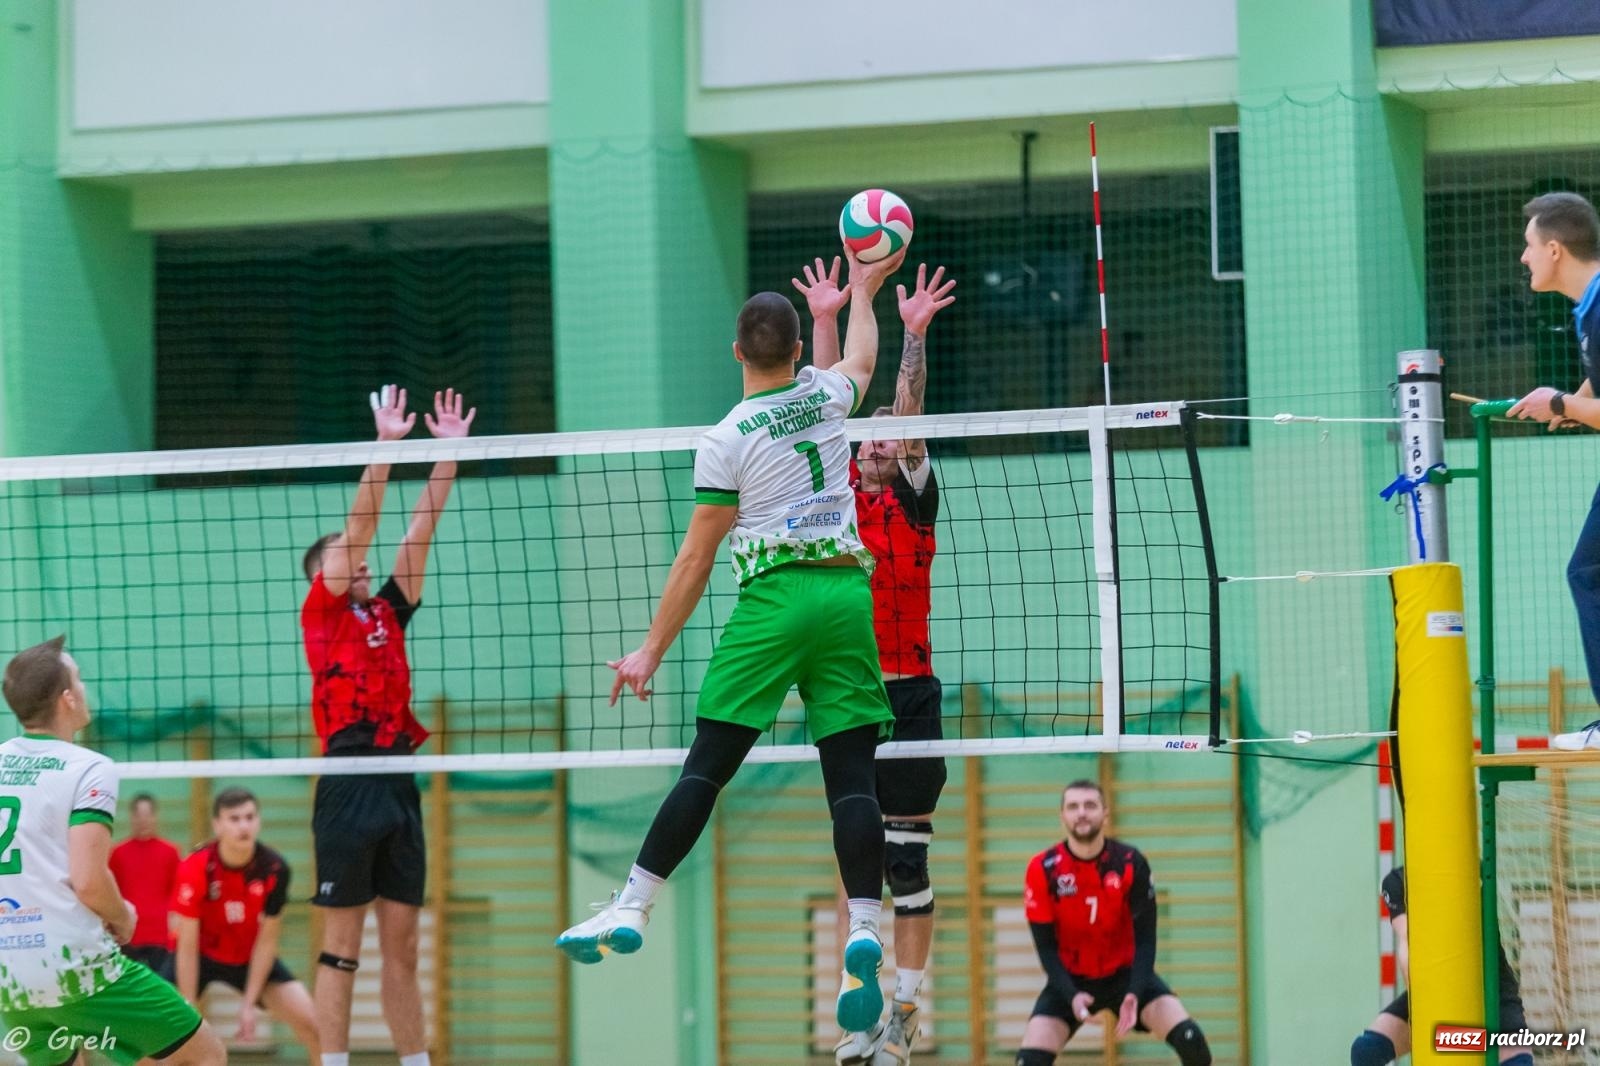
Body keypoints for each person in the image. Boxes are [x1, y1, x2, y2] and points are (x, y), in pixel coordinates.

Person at [556, 246, 908, 1035]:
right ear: (791, 353)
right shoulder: (824, 396)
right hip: (848, 594)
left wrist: (650, 650)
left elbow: (696, 557)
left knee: (707, 770)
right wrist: (863, 288)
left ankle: (636, 904)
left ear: (736, 353)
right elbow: (861, 355)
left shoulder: (725, 438)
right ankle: (862, 923)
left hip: (773, 603)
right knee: (851, 777)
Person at [794, 257, 956, 1066]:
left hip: (912, 694)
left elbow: (907, 412)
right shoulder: (835, 500)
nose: (873, 445)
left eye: (885, 438)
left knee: (907, 862)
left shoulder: (912, 505)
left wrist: (912, 336)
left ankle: (907, 1010)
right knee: (858, 860)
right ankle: (858, 1011)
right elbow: (827, 406)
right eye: (866, 440)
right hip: (846, 693)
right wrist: (828, 317)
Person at [301, 385, 474, 1066]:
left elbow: (416, 531)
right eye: (344, 557)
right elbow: (365, 527)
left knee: (403, 947)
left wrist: (448, 457)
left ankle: (416, 1061)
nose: (361, 559)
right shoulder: (324, 615)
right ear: (324, 575)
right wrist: (385, 448)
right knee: (341, 950)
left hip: (399, 778)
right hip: (346, 778)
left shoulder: (387, 612)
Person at [0, 636, 226, 1065]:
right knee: (206, 1055)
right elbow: (88, 880)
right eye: (79, 680)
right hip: (75, 968)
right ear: (67, 699)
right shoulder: (89, 767)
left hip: (10, 976)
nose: (85, 689)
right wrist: (123, 916)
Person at [1015, 780, 1210, 1066]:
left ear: (1105, 813)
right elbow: (1046, 948)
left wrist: (1134, 992)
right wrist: (1071, 994)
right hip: (1071, 979)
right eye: (1073, 806)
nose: (1082, 813)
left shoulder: (1131, 863)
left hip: (1127, 975)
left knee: (1192, 1042)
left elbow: (1146, 940)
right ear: (1062, 816)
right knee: (1028, 1062)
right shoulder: (1043, 869)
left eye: (1090, 805)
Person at [1506, 193, 1600, 746]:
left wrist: (1561, 404)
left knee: (1588, 573)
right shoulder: (1588, 306)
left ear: (1556, 249)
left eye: (1530, 245)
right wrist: (1573, 399)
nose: (1524, 257)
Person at [167, 788, 319, 1058]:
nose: (243, 826)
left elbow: (267, 940)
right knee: (154, 1038)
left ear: (258, 821)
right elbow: (187, 944)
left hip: (248, 954)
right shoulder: (196, 865)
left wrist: (248, 1005)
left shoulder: (274, 869)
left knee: (315, 1026)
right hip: (199, 955)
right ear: (217, 825)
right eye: (234, 819)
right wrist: (188, 1008)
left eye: (249, 817)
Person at [1350, 865, 1532, 1066]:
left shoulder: (1468, 868)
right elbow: (1408, 940)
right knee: (1367, 1050)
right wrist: (1423, 1009)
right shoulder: (1398, 881)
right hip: (1433, 990)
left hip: (1488, 990)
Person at [109, 791, 181, 972]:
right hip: (129, 934)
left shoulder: (170, 852)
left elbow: (178, 892)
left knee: (163, 987)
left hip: (161, 935)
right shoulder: (118, 853)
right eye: (139, 815)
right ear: (132, 817)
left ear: (155, 817)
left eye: (148, 815)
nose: (143, 820)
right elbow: (111, 892)